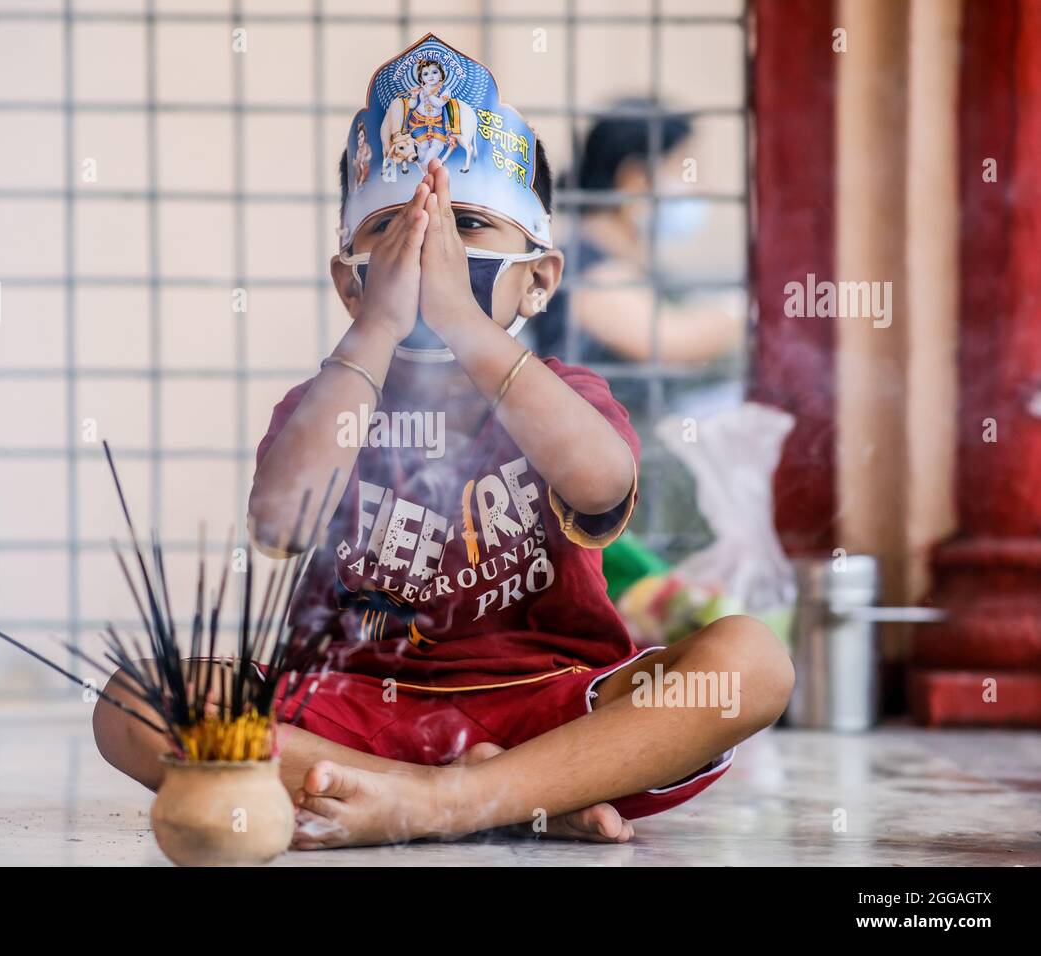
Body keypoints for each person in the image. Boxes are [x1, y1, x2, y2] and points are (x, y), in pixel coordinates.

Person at [93, 35, 792, 850]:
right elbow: (280, 525)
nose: (434, 252)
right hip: (348, 709)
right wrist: (380, 328)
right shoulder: (323, 401)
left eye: (466, 226)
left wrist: (464, 321)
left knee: (753, 660)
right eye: (395, 229)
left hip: (550, 713)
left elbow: (602, 486)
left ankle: (465, 798)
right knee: (136, 701)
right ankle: (466, 800)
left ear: (539, 277)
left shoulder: (570, 397)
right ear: (351, 277)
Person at [538, 100, 745, 413]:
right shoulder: (588, 272)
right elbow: (672, 341)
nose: (702, 187)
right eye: (685, 169)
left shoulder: (630, 265)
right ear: (634, 180)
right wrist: (752, 309)